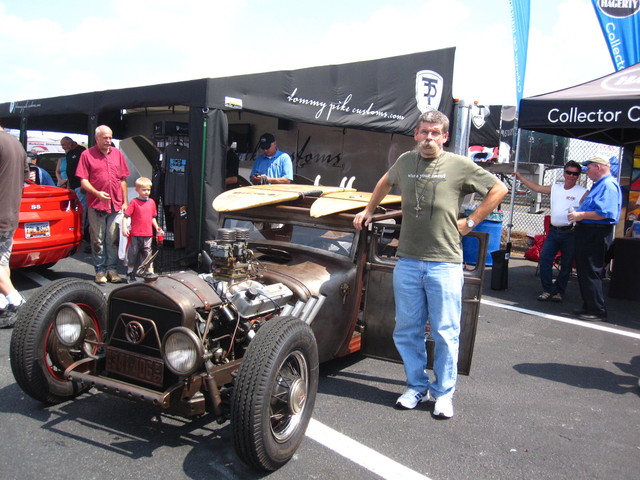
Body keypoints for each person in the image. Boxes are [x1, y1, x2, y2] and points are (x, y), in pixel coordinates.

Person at [354, 110, 507, 418]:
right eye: (424, 132)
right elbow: (384, 182)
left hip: (445, 263)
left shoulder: (459, 165)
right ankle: (415, 386)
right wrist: (370, 210)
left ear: (444, 137)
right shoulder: (405, 162)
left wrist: (472, 220)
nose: (428, 138)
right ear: (416, 134)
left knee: (446, 332)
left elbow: (499, 189)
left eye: (435, 133)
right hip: (408, 260)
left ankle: (443, 393)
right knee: (407, 330)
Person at [514, 161, 587, 302]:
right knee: (545, 259)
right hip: (554, 232)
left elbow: (592, 206)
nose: (571, 176)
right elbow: (537, 188)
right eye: (569, 172)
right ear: (564, 173)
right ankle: (548, 289)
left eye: (575, 174)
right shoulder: (556, 188)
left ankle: (559, 291)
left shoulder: (583, 192)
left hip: (570, 232)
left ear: (578, 176)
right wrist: (520, 178)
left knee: (566, 263)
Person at [568, 155, 622, 321]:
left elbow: (606, 213)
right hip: (588, 231)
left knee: (591, 270)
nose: (586, 170)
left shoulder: (608, 185)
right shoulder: (600, 185)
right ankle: (588, 304)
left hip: (595, 232)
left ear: (598, 167)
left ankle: (597, 309)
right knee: (584, 270)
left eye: (588, 167)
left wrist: (581, 214)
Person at [76, 125, 130, 284]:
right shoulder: (87, 155)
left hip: (116, 204)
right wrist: (97, 194)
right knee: (98, 239)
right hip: (96, 204)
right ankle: (100, 271)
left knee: (112, 239)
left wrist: (125, 202)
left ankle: (112, 270)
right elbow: (83, 181)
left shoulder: (118, 154)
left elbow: (123, 180)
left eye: (110, 137)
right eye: (105, 137)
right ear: (97, 138)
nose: (108, 140)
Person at [0, 124, 29, 327]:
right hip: (10, 213)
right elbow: (26, 176)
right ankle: (2, 306)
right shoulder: (16, 144)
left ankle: (17, 302)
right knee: (2, 262)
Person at [122, 177, 162, 283]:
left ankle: (150, 272)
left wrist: (157, 227)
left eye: (148, 190)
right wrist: (124, 227)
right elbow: (126, 215)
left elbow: (152, 217)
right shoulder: (134, 202)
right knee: (133, 254)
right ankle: (130, 272)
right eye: (144, 190)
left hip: (148, 234)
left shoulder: (152, 202)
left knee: (147, 253)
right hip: (135, 233)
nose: (146, 192)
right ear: (137, 190)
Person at [60, 136, 87, 229]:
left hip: (80, 185)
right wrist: (68, 185)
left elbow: (85, 168)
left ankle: (82, 228)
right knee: (71, 207)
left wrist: (84, 184)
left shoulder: (81, 150)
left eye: (64, 145)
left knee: (81, 207)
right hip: (71, 185)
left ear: (70, 143)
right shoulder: (68, 153)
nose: (63, 147)